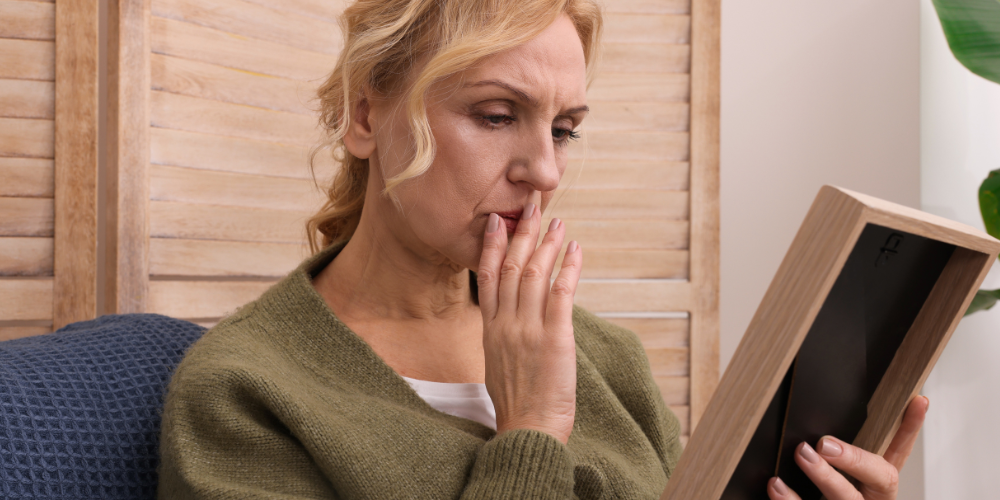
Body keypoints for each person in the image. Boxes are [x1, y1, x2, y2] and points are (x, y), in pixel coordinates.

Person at [157, 0, 927, 498]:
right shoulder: (244, 396)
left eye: (562, 129)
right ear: (366, 118)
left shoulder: (604, 358)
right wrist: (529, 431)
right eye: (496, 115)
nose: (546, 171)